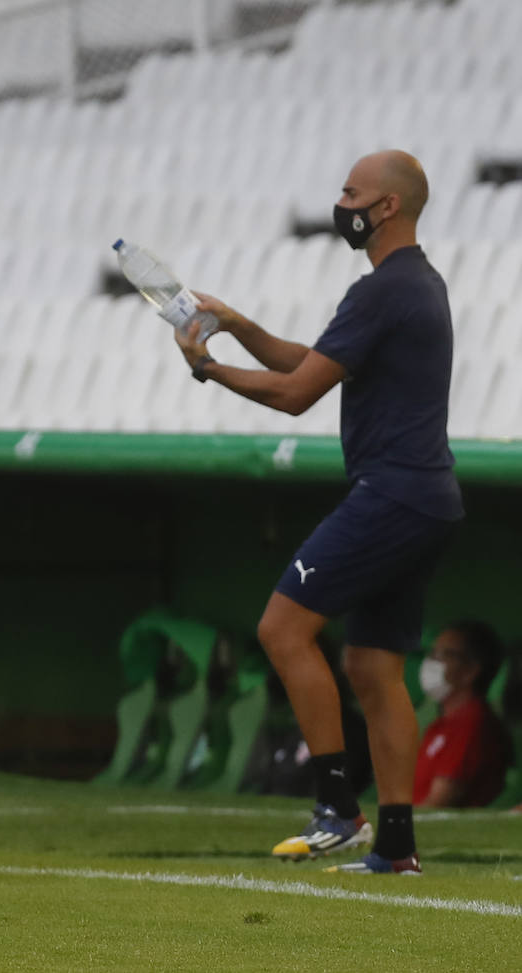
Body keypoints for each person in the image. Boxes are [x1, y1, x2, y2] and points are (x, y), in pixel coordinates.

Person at [173, 149, 462, 875]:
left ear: (386, 207)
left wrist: (206, 367)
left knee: (282, 625)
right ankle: (397, 845)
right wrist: (235, 325)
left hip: (391, 493)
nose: (341, 203)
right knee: (373, 665)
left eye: (350, 192)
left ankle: (338, 805)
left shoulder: (383, 291)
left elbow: (295, 393)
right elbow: (310, 362)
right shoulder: (413, 285)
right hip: (428, 497)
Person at [414, 621, 512, 807]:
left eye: (444, 655)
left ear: (470, 671)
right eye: (432, 653)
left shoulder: (472, 723)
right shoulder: (441, 725)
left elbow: (437, 804)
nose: (432, 662)